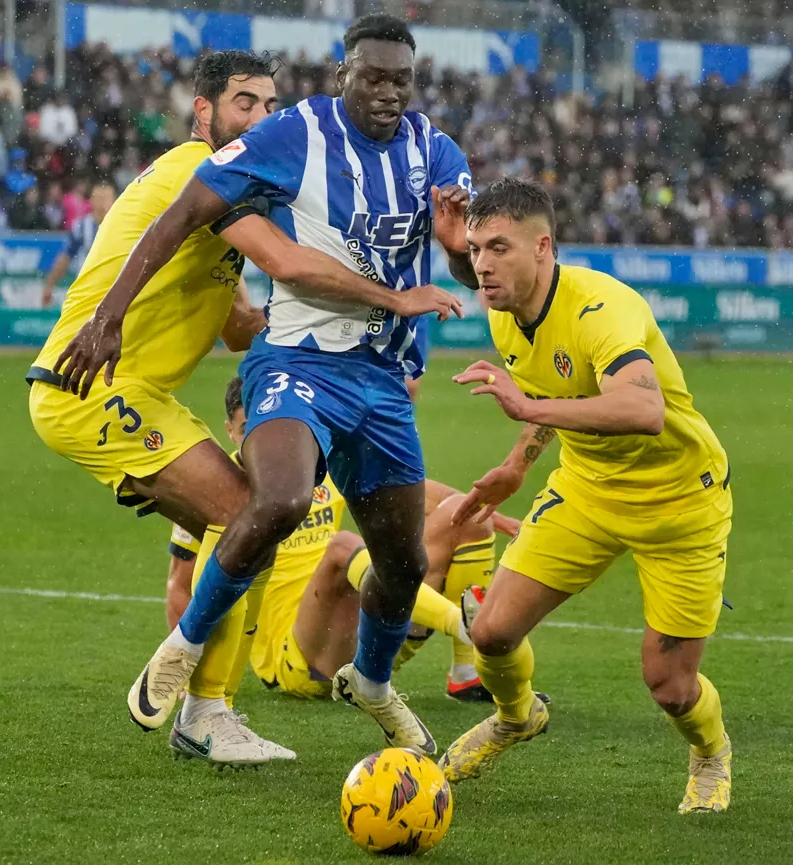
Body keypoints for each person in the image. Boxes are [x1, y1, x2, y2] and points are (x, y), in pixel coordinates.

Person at [53, 15, 476, 758]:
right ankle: (185, 660)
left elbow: (473, 273)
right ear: (343, 74)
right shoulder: (293, 137)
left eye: (400, 80)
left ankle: (371, 683)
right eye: (371, 77)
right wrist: (107, 315)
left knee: (403, 561)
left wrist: (455, 252)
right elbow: (238, 238)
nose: (386, 93)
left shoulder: (434, 151)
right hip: (298, 363)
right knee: (274, 500)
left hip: (377, 379)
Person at [439, 178, 734, 815]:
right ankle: (517, 718)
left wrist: (525, 406)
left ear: (543, 247)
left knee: (671, 686)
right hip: (589, 489)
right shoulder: (504, 314)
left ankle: (710, 752)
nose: (483, 265)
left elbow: (643, 407)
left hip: (679, 501)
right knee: (490, 631)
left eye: (498, 248)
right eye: (475, 249)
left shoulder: (603, 308)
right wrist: (518, 462)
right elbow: (555, 394)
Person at [164, 379, 516, 737]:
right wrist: (185, 673)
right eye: (246, 429)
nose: (261, 440)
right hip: (299, 660)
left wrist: (490, 514)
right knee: (343, 547)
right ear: (230, 432)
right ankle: (468, 625)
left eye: (266, 426)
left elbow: (420, 493)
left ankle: (467, 674)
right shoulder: (217, 490)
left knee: (463, 513)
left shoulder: (311, 465)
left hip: (364, 639)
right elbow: (181, 585)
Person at [41, 182, 115, 308]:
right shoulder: (81, 226)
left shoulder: (120, 225)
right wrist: (50, 285)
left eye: (106, 198)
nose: (103, 203)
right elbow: (66, 257)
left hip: (113, 290)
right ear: (91, 201)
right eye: (99, 198)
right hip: (87, 290)